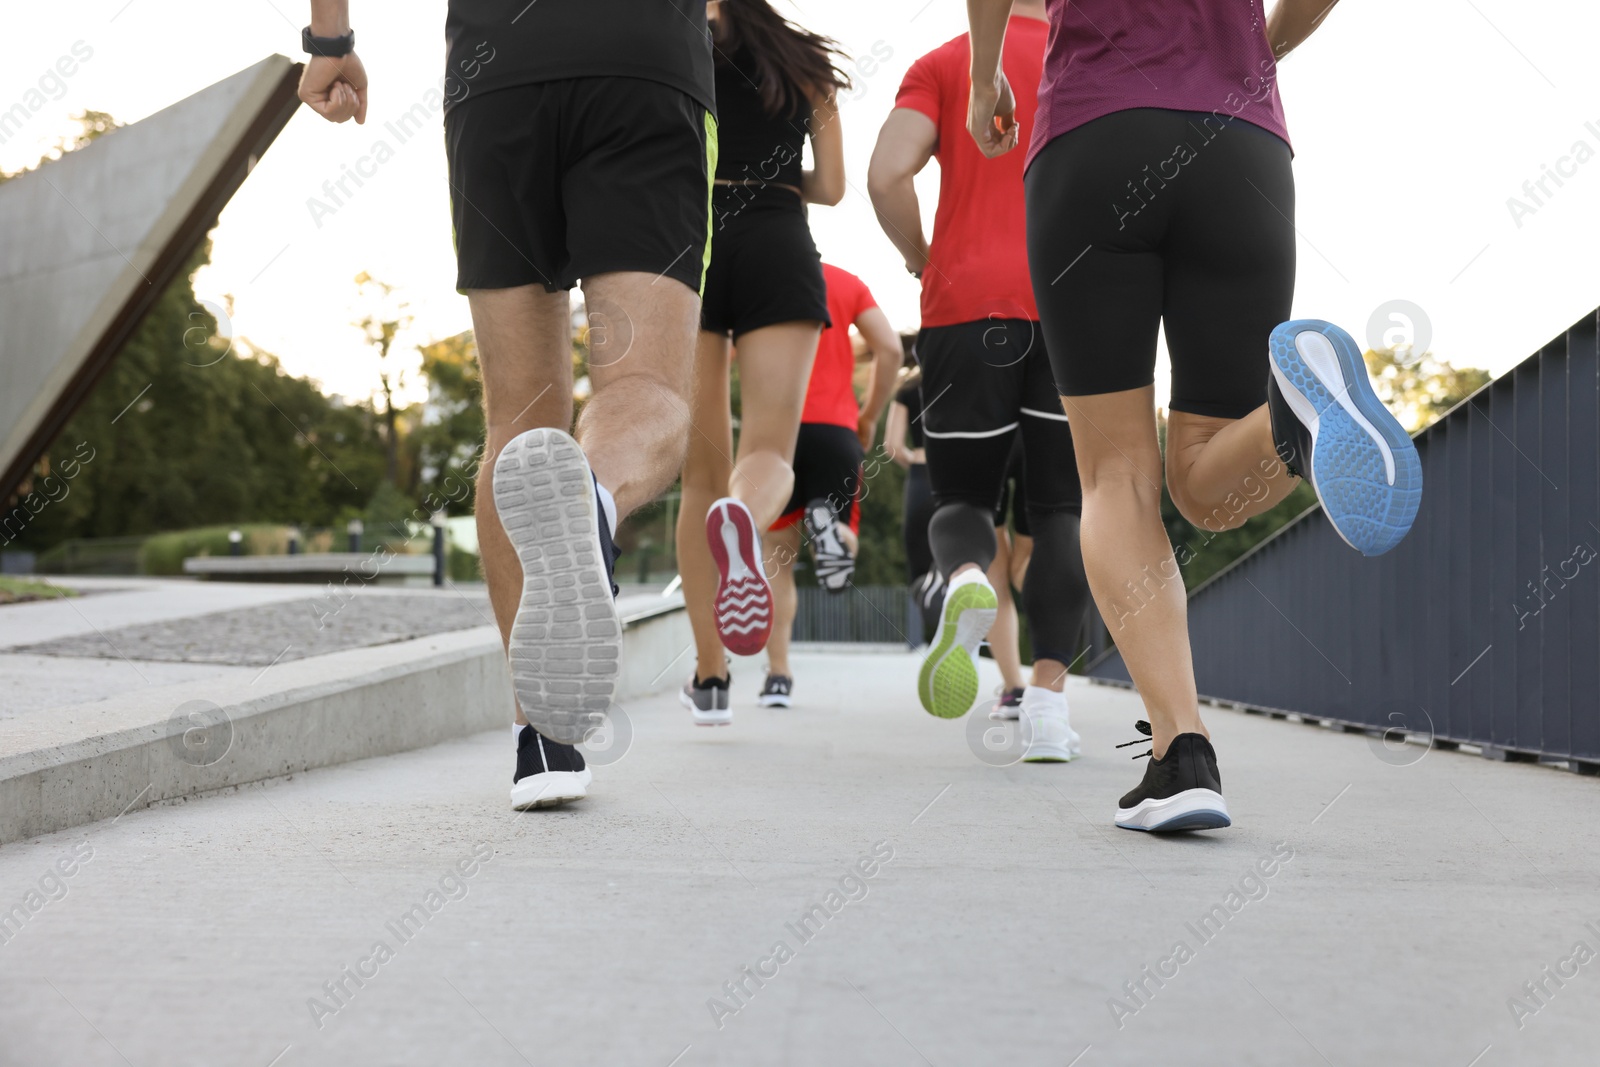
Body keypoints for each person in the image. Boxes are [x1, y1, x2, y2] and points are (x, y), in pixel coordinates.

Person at [964, 0, 1422, 830]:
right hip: (1240, 143)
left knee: (1114, 476)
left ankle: (1182, 751)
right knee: (1209, 482)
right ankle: (1292, 413)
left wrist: (984, 72)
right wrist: (1265, 46)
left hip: (1093, 135)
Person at [296, 0, 716, 810]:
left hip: (498, 69)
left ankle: (542, 738)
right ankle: (591, 500)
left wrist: (329, 39)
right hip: (644, 55)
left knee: (517, 423)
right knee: (645, 390)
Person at [869, 0, 1092, 761]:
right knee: (1062, 510)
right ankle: (1050, 713)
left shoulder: (944, 64)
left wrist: (923, 258)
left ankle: (965, 576)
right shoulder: (1088, 51)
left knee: (963, 500)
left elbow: (884, 176)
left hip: (966, 308)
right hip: (1070, 306)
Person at [677, 0, 849, 726]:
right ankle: (744, 518)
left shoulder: (676, 44)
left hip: (691, 241)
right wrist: (780, 175)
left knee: (697, 472)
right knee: (771, 448)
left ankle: (711, 679)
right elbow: (834, 187)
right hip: (779, 237)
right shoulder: (805, 60)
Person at [758, 263, 902, 707]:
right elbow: (891, 350)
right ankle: (831, 531)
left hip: (778, 432)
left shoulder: (765, 276)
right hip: (837, 432)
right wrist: (871, 415)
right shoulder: (847, 282)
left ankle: (778, 677)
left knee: (776, 561)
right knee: (843, 530)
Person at [884, 360, 941, 645]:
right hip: (955, 481)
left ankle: (934, 631)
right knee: (963, 560)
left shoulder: (907, 388)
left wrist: (915, 467)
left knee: (919, 570)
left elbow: (892, 446)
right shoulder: (958, 378)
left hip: (921, 480)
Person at [985, 440, 1033, 719]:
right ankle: (1043, 687)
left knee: (995, 576)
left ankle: (1015, 689)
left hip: (992, 430)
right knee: (1024, 568)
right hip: (1039, 431)